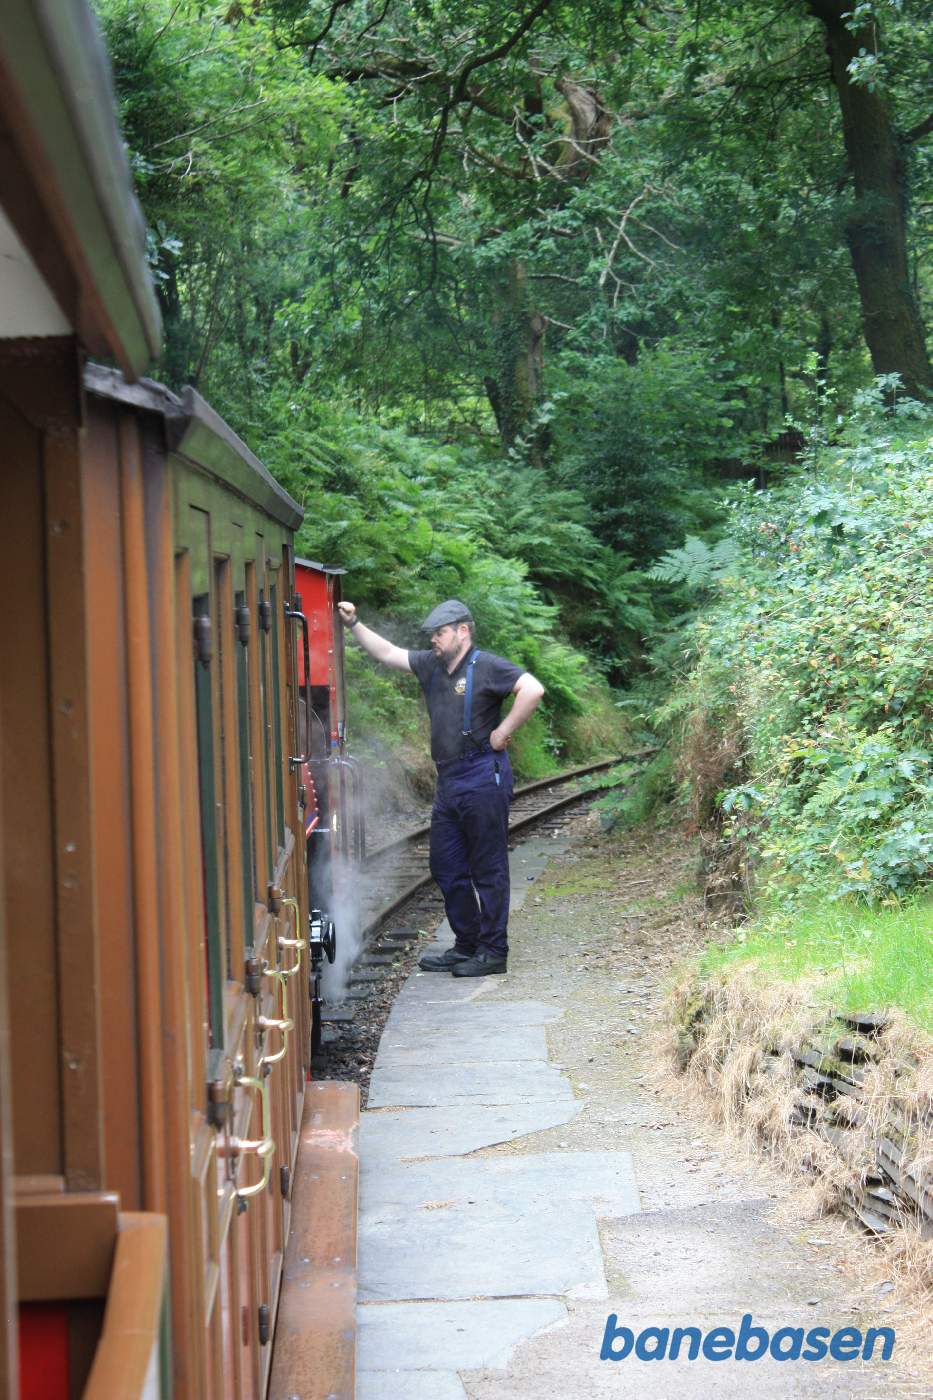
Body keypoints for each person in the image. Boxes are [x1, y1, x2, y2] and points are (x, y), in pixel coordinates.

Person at [337, 598, 545, 976]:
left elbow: (532, 689)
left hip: (483, 774)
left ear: (462, 631)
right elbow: (388, 653)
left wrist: (503, 732)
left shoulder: (488, 667)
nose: (433, 640)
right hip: (449, 779)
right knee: (446, 865)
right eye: (432, 634)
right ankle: (466, 945)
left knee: (488, 867)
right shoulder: (431, 666)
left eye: (440, 633)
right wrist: (355, 624)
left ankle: (493, 952)